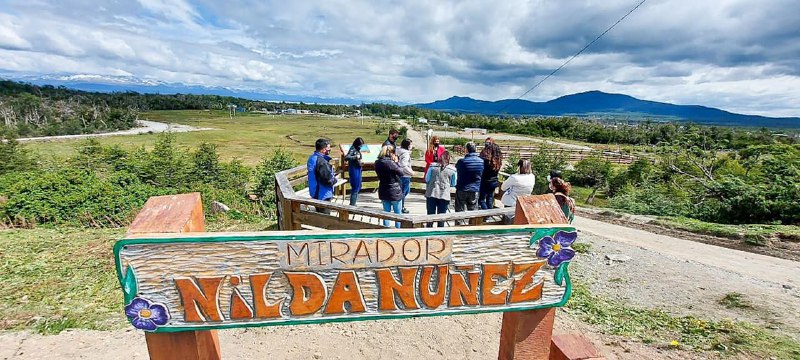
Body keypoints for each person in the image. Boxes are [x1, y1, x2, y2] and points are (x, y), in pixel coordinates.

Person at [374, 145, 404, 228]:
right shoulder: (390, 163)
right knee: (398, 214)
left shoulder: (377, 162)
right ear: (390, 153)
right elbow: (401, 172)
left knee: (386, 213)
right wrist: (396, 162)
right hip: (394, 190)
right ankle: (398, 231)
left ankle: (385, 229)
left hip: (383, 188)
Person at [425, 151, 457, 227]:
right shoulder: (453, 170)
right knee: (441, 217)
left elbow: (427, 179)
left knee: (430, 216)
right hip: (444, 194)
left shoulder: (432, 166)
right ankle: (439, 235)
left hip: (431, 193)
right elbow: (453, 183)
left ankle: (428, 233)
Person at [454, 142, 483, 223]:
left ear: (466, 150)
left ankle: (458, 229)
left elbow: (458, 171)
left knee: (459, 211)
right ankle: (472, 228)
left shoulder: (461, 161)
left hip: (462, 188)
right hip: (475, 189)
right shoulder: (481, 162)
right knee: (473, 212)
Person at [306, 138, 336, 214]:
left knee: (319, 216)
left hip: (315, 192)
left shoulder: (312, 158)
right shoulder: (322, 162)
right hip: (323, 194)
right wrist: (335, 180)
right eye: (328, 148)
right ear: (323, 149)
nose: (329, 150)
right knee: (326, 220)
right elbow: (328, 179)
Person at [478, 140, 503, 209]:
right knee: (489, 198)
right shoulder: (498, 161)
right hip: (494, 181)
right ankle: (489, 215)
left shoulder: (487, 161)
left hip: (485, 181)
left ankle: (487, 214)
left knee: (481, 200)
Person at [396, 138, 415, 213]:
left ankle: (399, 205)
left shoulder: (399, 151)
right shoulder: (406, 154)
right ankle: (400, 207)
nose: (411, 146)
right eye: (410, 144)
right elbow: (404, 165)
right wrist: (411, 172)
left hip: (400, 174)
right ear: (407, 145)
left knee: (405, 191)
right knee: (403, 192)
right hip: (405, 175)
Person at [344, 137, 364, 206]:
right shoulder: (353, 149)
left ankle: (353, 203)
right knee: (355, 187)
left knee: (358, 186)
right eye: (360, 145)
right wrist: (355, 157)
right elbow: (346, 157)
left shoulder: (356, 149)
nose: (361, 146)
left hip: (357, 169)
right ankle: (352, 204)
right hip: (354, 169)